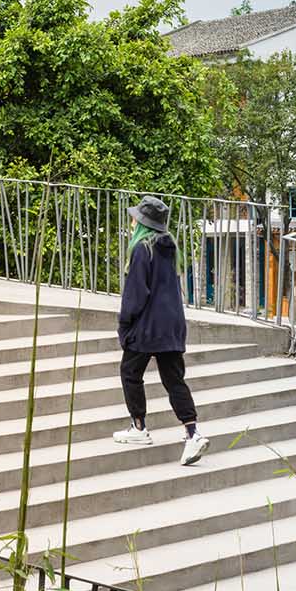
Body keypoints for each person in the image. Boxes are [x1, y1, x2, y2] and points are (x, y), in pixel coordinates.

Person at [113, 195, 210, 466]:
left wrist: (124, 325)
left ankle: (139, 427)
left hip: (147, 326)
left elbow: (135, 293)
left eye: (135, 218)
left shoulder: (142, 249)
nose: (131, 222)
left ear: (142, 223)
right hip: (172, 325)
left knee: (130, 373)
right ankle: (193, 433)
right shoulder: (171, 248)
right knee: (174, 380)